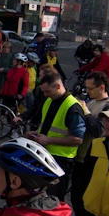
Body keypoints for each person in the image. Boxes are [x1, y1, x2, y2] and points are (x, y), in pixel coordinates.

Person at [26, 71, 85, 199]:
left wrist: (48, 140)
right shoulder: (49, 101)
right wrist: (36, 133)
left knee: (54, 198)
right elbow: (49, 127)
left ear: (58, 86)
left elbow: (78, 139)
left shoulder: (73, 107)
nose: (45, 95)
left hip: (61, 160)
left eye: (47, 91)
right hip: (45, 155)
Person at [71, 71, 109, 216]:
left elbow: (99, 131)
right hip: (80, 158)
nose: (88, 91)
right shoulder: (91, 102)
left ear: (102, 87)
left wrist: (85, 113)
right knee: (76, 197)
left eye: (91, 88)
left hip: (92, 161)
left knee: (85, 199)